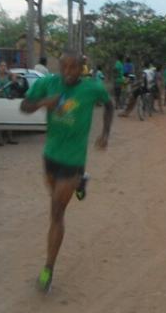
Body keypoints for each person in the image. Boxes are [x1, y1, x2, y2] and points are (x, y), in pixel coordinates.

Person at [20, 50, 114, 293]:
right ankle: (81, 182)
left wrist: (105, 133)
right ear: (59, 67)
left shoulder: (92, 88)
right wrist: (43, 102)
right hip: (50, 156)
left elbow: (110, 105)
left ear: (81, 68)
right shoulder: (47, 83)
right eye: (65, 67)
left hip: (72, 159)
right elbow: (24, 106)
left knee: (56, 212)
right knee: (54, 200)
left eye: (74, 68)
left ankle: (48, 268)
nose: (69, 73)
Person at [0, 61, 19, 146]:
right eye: (1, 66)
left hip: (7, 98)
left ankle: (10, 138)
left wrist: (10, 73)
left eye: (5, 66)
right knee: (0, 119)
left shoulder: (8, 75)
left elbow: (14, 78)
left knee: (9, 118)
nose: (3, 67)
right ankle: (0, 139)